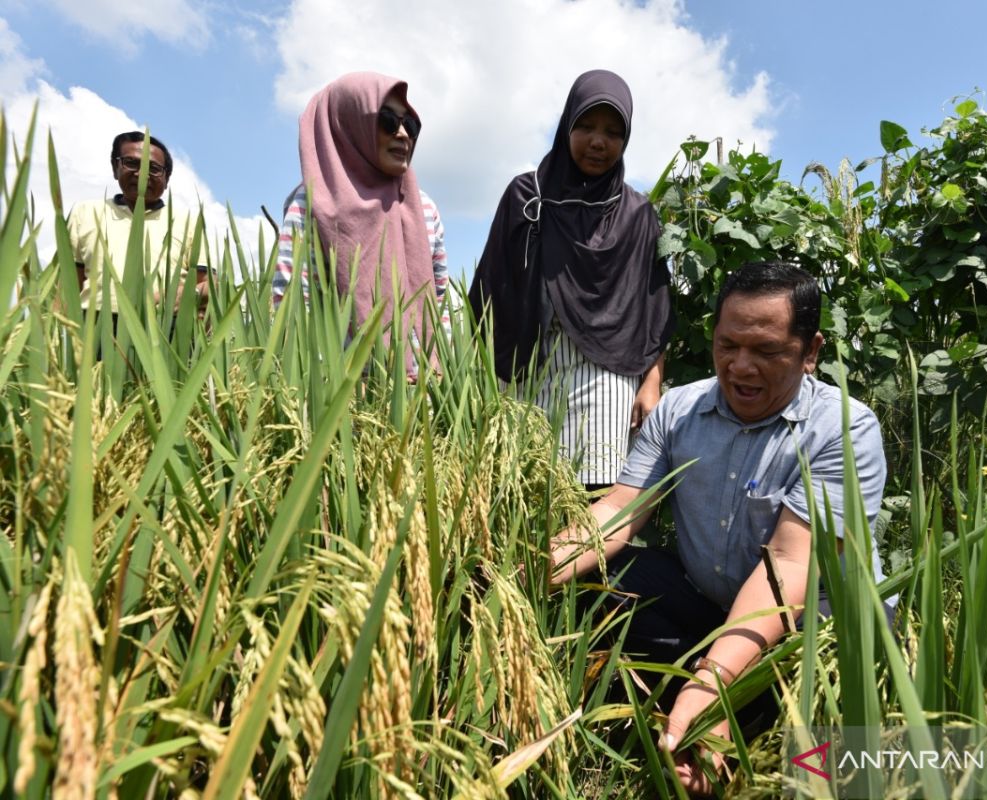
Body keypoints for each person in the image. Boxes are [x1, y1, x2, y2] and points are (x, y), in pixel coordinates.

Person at [549, 261, 889, 795]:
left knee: (844, 672)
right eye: (727, 345)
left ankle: (741, 724)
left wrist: (714, 683)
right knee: (609, 580)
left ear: (811, 351)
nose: (741, 366)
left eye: (767, 351)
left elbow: (790, 565)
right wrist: (532, 571)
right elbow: (618, 510)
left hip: (810, 621)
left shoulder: (844, 428)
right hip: (709, 603)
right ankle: (701, 714)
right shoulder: (680, 409)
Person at [468, 69, 673, 489]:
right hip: (528, 372)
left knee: (594, 500)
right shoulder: (528, 198)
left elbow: (654, 312)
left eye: (614, 132)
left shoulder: (636, 214)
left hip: (605, 374)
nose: (599, 141)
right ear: (566, 126)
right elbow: (489, 290)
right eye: (586, 126)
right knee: (521, 495)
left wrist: (651, 383)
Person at [272, 72, 448, 374]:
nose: (404, 134)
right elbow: (291, 308)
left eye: (411, 124)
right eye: (388, 121)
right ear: (349, 124)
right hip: (341, 399)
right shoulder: (312, 205)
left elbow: (441, 303)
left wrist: (445, 373)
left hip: (426, 396)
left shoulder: (425, 209)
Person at [68, 131, 204, 320]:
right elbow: (67, 283)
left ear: (166, 180)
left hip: (164, 325)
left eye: (154, 168)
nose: (141, 174)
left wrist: (188, 295)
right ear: (116, 168)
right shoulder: (85, 212)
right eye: (131, 163)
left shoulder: (187, 222)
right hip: (95, 326)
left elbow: (209, 283)